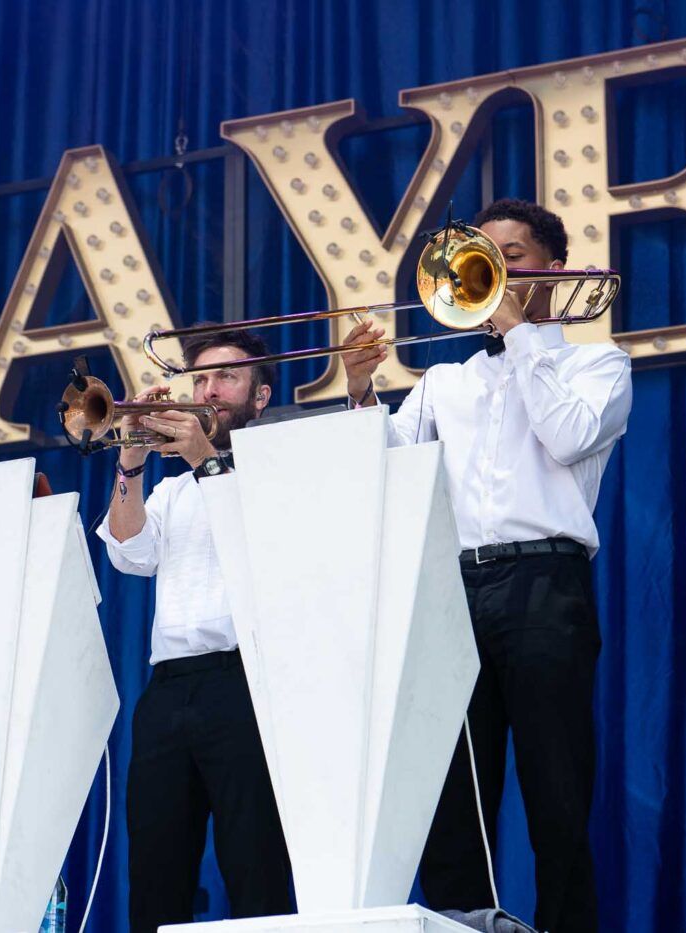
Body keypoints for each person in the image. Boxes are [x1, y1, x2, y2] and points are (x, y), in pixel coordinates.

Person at [340, 199, 632, 932]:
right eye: (486, 257)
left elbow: (567, 437)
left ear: (554, 270)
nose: (497, 270)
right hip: (456, 588)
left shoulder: (599, 363)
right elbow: (381, 472)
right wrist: (360, 391)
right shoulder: (447, 382)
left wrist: (519, 331)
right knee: (454, 797)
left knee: (556, 794)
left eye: (514, 256)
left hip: (546, 585)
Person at [97, 331, 293, 932]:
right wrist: (130, 462)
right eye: (201, 379)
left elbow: (265, 544)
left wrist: (207, 460)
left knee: (254, 862)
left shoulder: (278, 468)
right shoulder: (172, 487)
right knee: (155, 868)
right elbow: (129, 553)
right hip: (168, 690)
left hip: (245, 684)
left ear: (259, 398)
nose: (208, 390)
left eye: (226, 378)